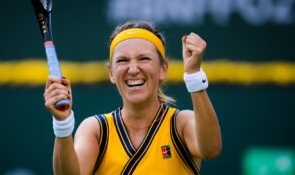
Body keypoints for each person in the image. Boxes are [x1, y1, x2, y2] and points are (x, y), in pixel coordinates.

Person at [44, 20, 222, 175]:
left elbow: (211, 149)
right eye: (122, 61)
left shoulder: (181, 124)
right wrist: (62, 124)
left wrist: (194, 76)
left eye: (144, 59)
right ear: (111, 73)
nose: (133, 69)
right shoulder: (96, 130)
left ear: (163, 70)